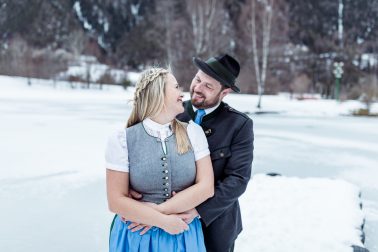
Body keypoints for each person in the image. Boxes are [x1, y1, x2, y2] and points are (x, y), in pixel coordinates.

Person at [105, 67, 214, 252]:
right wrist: (162, 222)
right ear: (158, 93)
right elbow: (115, 201)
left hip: (183, 235)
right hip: (136, 238)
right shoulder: (123, 139)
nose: (182, 93)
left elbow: (206, 187)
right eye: (176, 87)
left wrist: (155, 215)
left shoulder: (193, 132)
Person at [176, 54, 254, 252]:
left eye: (208, 86)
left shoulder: (239, 125)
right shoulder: (172, 112)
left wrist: (197, 210)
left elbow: (238, 179)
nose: (198, 88)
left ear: (224, 92)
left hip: (216, 225)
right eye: (198, 79)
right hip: (171, 217)